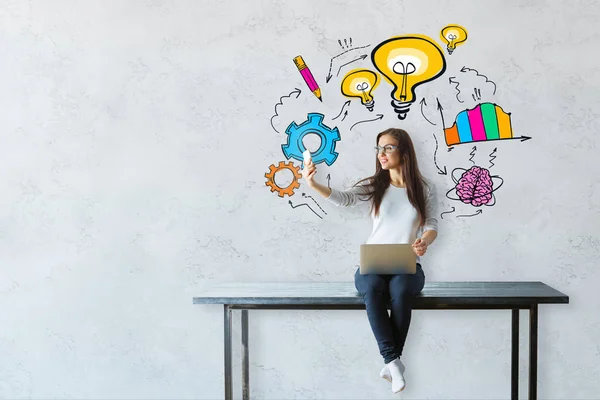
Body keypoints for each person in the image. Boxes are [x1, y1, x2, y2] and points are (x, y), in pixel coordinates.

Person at [301, 128, 438, 393]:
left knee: (400, 290)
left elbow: (431, 223)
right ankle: (393, 361)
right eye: (379, 148)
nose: (381, 154)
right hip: (372, 265)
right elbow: (345, 199)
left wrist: (425, 241)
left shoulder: (424, 188)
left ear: (405, 153)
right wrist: (313, 184)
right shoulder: (376, 185)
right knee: (372, 289)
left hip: (408, 266)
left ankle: (391, 361)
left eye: (388, 148)